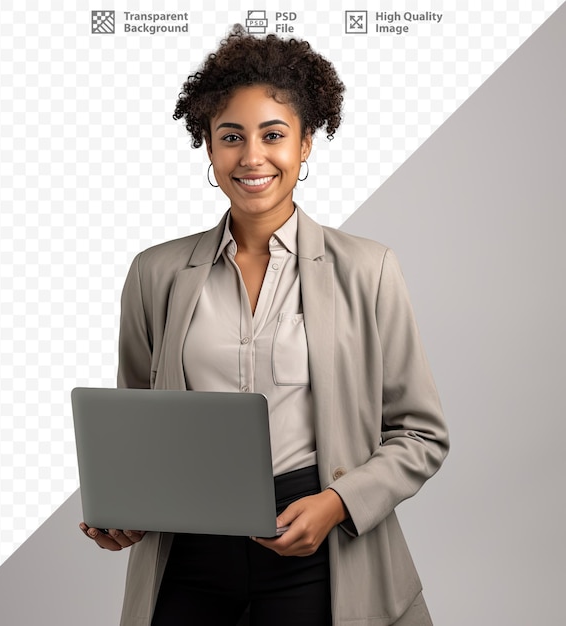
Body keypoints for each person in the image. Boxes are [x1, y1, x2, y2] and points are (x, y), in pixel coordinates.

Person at [79, 24, 449, 626]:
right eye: (231, 137)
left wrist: (337, 504)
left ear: (305, 146)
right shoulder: (156, 272)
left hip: (317, 546)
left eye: (273, 135)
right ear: (209, 147)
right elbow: (133, 430)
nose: (252, 157)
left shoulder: (368, 269)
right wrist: (117, 511)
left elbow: (421, 434)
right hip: (187, 547)